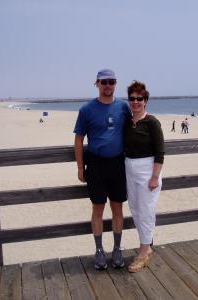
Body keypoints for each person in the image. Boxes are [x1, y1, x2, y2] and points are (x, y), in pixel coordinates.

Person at [73, 69, 130, 270]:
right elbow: (79, 140)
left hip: (118, 165)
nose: (108, 85)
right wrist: (81, 167)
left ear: (115, 84)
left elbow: (137, 128)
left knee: (117, 208)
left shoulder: (124, 107)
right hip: (96, 165)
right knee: (98, 208)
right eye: (104, 82)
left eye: (112, 82)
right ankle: (99, 251)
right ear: (96, 83)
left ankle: (116, 248)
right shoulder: (87, 109)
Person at [124, 81, 165, 273]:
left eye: (139, 98)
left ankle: (144, 252)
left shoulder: (152, 122)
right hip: (129, 169)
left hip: (148, 170)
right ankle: (146, 246)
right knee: (136, 210)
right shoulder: (128, 121)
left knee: (147, 211)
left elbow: (160, 152)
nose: (135, 102)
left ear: (145, 100)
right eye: (132, 98)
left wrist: (155, 177)